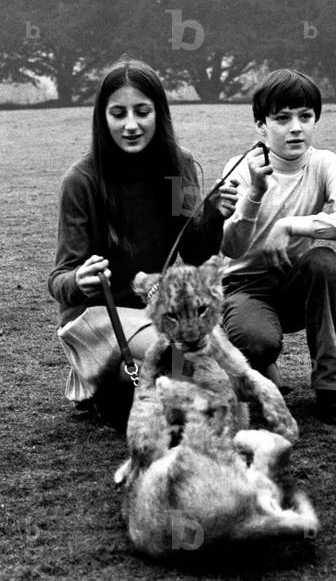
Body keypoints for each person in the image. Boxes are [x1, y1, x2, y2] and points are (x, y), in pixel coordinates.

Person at [48, 57, 238, 422]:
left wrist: (213, 213)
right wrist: (79, 279)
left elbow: (195, 251)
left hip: (152, 313)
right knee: (191, 364)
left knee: (205, 357)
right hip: (97, 319)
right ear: (103, 118)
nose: (131, 125)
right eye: (118, 113)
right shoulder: (82, 181)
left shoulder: (177, 169)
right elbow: (58, 280)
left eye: (142, 111)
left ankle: (122, 388)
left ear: (159, 113)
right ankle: (103, 379)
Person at [221, 68, 336, 424]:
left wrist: (293, 225)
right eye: (282, 118)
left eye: (305, 116)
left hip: (297, 284)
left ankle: (330, 390)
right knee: (257, 343)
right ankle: (261, 363)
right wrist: (255, 194)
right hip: (246, 288)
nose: (296, 127)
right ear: (261, 125)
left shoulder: (324, 163)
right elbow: (230, 246)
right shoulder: (240, 168)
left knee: (324, 262)